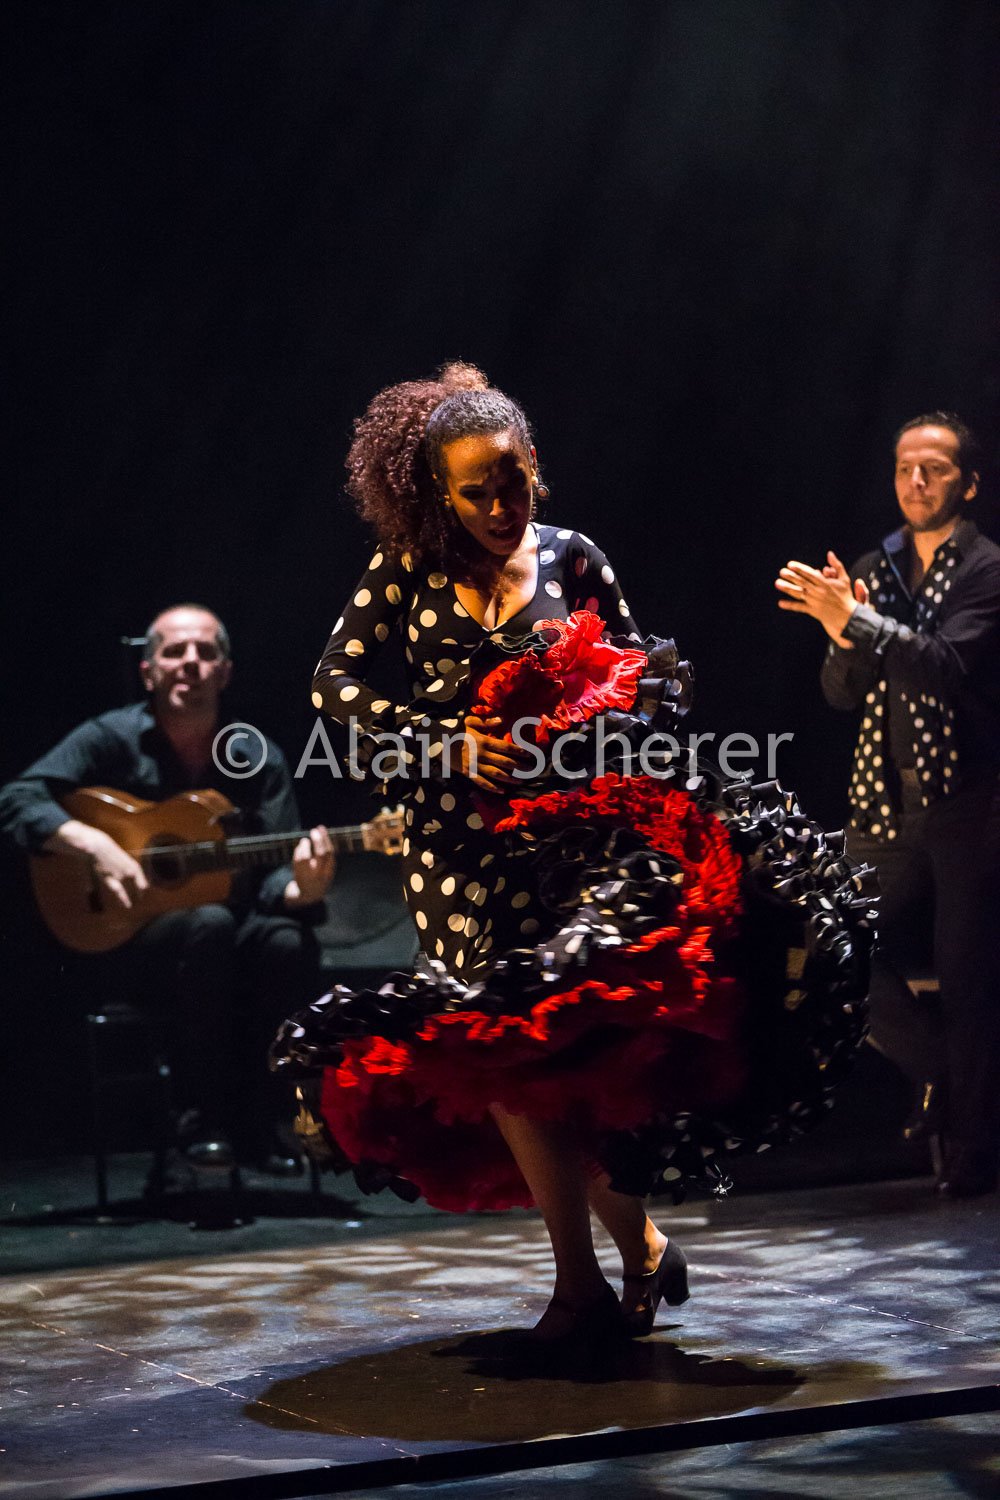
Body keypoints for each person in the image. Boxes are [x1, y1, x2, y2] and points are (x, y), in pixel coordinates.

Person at [276, 363, 870, 1348]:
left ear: (533, 466)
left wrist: (585, 719)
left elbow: (645, 683)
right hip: (454, 849)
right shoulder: (407, 567)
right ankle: (606, 1269)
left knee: (564, 1061)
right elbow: (332, 682)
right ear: (439, 493)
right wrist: (443, 740)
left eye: (512, 481)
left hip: (566, 846)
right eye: (476, 491)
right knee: (501, 1055)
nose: (499, 507)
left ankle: (598, 1277)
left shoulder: (573, 557)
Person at [0, 604, 335, 1171]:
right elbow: (17, 798)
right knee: (208, 924)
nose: (191, 663)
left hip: (226, 937)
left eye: (206, 652)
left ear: (225, 672)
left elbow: (275, 870)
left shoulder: (256, 757)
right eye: (175, 652)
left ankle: (260, 1121)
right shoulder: (111, 737)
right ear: (149, 670)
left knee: (287, 942)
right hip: (129, 939)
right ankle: (201, 1119)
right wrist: (93, 843)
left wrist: (303, 890)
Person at [776, 412, 1000, 1199]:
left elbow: (944, 666)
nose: (916, 481)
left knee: (970, 980)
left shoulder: (987, 570)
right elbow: (842, 694)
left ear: (968, 483)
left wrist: (857, 620)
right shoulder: (878, 566)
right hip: (885, 804)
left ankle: (973, 1156)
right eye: (905, 467)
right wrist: (844, 635)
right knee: (820, 935)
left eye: (934, 468)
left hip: (972, 803)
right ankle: (939, 1070)